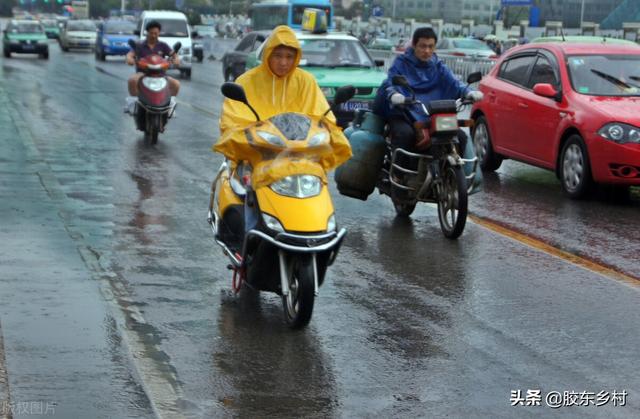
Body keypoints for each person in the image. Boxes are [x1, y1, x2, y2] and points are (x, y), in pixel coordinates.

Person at [215, 25, 351, 233]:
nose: (284, 62)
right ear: (268, 53)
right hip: (257, 157)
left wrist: (328, 134)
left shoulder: (306, 82)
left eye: (289, 56)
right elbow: (233, 121)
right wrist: (250, 135)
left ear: (296, 57)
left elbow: (324, 118)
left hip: (300, 158)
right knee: (241, 206)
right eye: (278, 55)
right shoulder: (246, 82)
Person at [373, 27, 483, 168]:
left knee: (459, 137)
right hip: (405, 111)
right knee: (405, 135)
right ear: (414, 45)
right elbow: (391, 80)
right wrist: (394, 94)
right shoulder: (402, 62)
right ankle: (399, 176)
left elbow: (454, 82)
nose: (427, 51)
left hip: (431, 115)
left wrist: (468, 92)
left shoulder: (437, 65)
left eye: (430, 47)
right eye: (423, 46)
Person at [126, 20, 180, 98]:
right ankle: (134, 101)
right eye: (151, 33)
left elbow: (173, 54)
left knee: (176, 84)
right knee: (132, 81)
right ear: (147, 32)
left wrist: (176, 59)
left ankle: (169, 103)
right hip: (143, 74)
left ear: (159, 33)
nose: (153, 35)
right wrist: (129, 59)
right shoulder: (140, 45)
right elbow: (130, 55)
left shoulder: (163, 45)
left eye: (156, 33)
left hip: (160, 75)